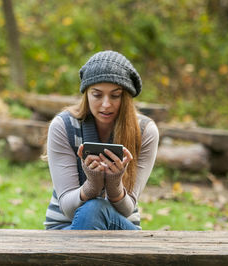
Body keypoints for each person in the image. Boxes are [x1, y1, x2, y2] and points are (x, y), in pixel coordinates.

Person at [44, 50, 159, 230]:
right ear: (86, 94)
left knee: (95, 209)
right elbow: (66, 208)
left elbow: (128, 210)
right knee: (92, 209)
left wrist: (114, 184)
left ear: (126, 97)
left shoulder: (144, 131)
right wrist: (92, 185)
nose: (106, 104)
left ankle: (74, 258)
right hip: (65, 230)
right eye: (97, 95)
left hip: (120, 228)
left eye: (115, 95)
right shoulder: (63, 126)